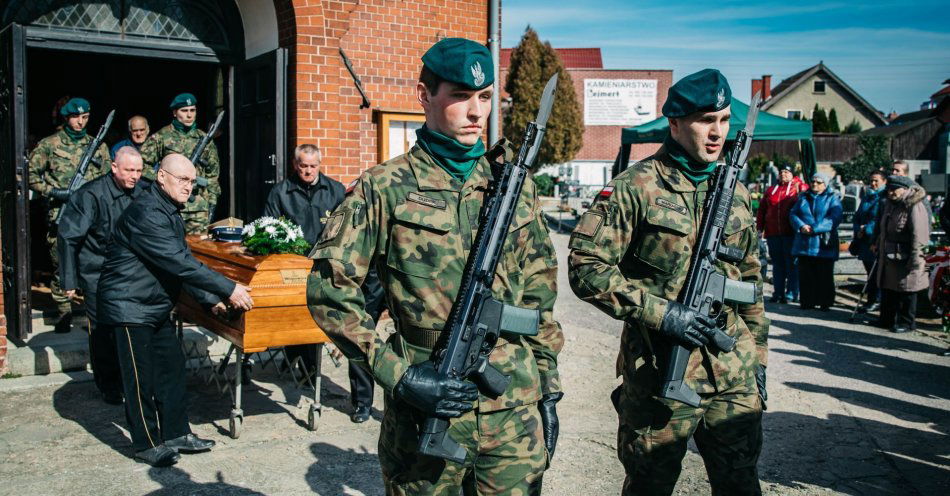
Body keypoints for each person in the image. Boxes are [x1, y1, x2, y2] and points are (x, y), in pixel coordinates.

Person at [307, 38, 564, 494]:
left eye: (484, 98)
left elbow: (538, 299)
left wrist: (548, 386)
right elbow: (329, 292)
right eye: (460, 96)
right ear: (423, 95)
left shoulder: (514, 188)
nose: (475, 112)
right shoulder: (384, 187)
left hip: (512, 408)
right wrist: (397, 374)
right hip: (427, 402)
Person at [569, 69, 768, 496]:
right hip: (661, 375)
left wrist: (760, 358)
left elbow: (750, 281)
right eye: (704, 121)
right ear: (674, 124)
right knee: (649, 485)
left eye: (724, 120)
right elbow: (585, 267)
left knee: (741, 485)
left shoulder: (737, 193)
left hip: (732, 372)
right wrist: (661, 313)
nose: (717, 133)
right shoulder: (634, 188)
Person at [97, 153, 253, 467]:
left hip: (152, 305)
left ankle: (177, 433)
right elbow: (180, 263)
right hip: (129, 306)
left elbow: (177, 263)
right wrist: (229, 288)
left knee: (171, 369)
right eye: (183, 180)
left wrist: (208, 299)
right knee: (140, 380)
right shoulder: (147, 213)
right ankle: (146, 444)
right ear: (162, 177)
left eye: (193, 181)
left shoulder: (168, 210)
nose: (189, 187)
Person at [263, 143, 384, 424]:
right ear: (296, 165)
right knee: (300, 325)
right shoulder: (281, 192)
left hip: (347, 277)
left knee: (357, 339)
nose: (308, 171)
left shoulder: (338, 193)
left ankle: (362, 402)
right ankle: (301, 366)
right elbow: (269, 227)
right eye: (303, 166)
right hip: (298, 271)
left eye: (313, 166)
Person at [57, 146, 145, 405]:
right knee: (104, 330)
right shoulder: (91, 195)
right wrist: (70, 280)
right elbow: (69, 236)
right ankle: (109, 385)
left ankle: (132, 381)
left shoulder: (144, 191)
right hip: (99, 273)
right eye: (129, 170)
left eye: (139, 170)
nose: (135, 176)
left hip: (132, 272)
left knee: (129, 328)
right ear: (114, 167)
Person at [28, 97, 112, 333]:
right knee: (61, 264)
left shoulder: (98, 146)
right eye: (76, 117)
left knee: (92, 264)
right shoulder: (50, 144)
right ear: (67, 117)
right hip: (62, 213)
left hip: (92, 217)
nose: (80, 122)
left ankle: (92, 314)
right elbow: (30, 174)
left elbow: (108, 179)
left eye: (85, 117)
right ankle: (64, 311)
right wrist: (53, 191)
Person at [140, 93, 221, 234]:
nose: (189, 115)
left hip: (198, 207)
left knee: (198, 249)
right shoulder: (161, 137)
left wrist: (211, 203)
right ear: (175, 113)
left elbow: (213, 175)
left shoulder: (204, 139)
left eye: (192, 110)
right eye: (184, 111)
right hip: (169, 205)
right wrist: (164, 181)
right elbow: (141, 166)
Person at [876, 175, 930, 333]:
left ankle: (907, 322)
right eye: (889, 189)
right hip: (889, 254)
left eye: (894, 189)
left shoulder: (914, 205)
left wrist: (916, 258)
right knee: (889, 287)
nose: (891, 192)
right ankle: (886, 319)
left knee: (907, 289)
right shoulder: (890, 205)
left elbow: (918, 235)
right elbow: (884, 228)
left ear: (905, 189)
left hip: (905, 254)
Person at [789, 173, 842, 311]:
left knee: (824, 275)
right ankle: (807, 301)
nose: (815, 184)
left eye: (819, 182)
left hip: (823, 243)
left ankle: (825, 302)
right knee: (806, 274)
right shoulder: (803, 197)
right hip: (805, 243)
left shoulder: (832, 199)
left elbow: (834, 218)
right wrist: (801, 226)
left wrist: (815, 228)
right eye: (813, 182)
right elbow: (793, 213)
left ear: (825, 184)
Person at [756, 163, 808, 303]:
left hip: (790, 233)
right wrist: (760, 227)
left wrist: (801, 188)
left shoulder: (797, 188)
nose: (783, 174)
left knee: (791, 264)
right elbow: (762, 210)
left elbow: (805, 199)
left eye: (786, 172)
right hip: (773, 233)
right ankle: (778, 292)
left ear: (792, 174)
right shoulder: (772, 190)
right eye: (781, 172)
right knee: (778, 265)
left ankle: (792, 292)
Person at [851, 171, 887, 313]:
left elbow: (879, 219)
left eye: (876, 180)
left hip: (875, 239)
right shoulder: (867, 197)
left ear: (884, 181)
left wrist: (866, 229)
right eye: (871, 180)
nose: (873, 183)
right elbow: (858, 216)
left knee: (876, 272)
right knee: (869, 272)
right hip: (864, 241)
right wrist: (858, 229)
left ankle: (877, 300)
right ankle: (871, 299)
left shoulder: (883, 197)